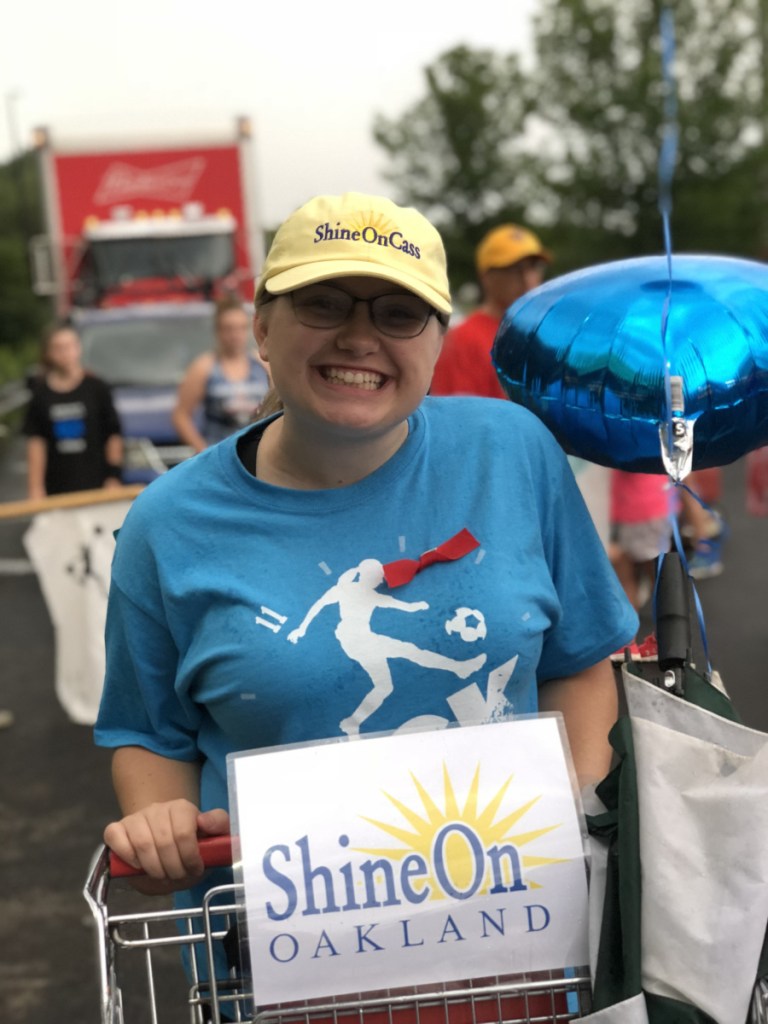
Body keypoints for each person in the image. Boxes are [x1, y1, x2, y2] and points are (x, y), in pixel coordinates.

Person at [95, 194, 637, 957]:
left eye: (397, 313)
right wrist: (159, 825)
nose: (359, 336)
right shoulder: (168, 525)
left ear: (437, 337)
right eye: (322, 304)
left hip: (520, 937)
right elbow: (147, 733)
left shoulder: (512, 450)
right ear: (261, 328)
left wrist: (576, 812)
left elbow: (579, 663)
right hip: (284, 962)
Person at [430, 223, 551, 397]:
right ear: (486, 276)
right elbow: (458, 419)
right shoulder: (461, 340)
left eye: (534, 267)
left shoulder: (545, 335)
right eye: (514, 269)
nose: (527, 279)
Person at [23, 323, 123, 499]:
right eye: (58, 348)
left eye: (69, 346)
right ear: (48, 353)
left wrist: (113, 477)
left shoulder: (97, 388)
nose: (65, 353)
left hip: (97, 484)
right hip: (57, 487)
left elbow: (113, 435)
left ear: (78, 348)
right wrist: (35, 487)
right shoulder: (40, 394)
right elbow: (36, 443)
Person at [172, 296, 270, 453]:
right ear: (218, 331)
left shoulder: (262, 364)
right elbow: (181, 415)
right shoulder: (204, 367)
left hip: (256, 454)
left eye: (241, 328)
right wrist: (203, 451)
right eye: (229, 328)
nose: (235, 335)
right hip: (219, 453)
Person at [609, 469, 673, 611]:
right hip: (655, 505)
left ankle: (664, 621)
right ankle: (670, 622)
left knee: (629, 578)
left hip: (638, 510)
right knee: (655, 572)